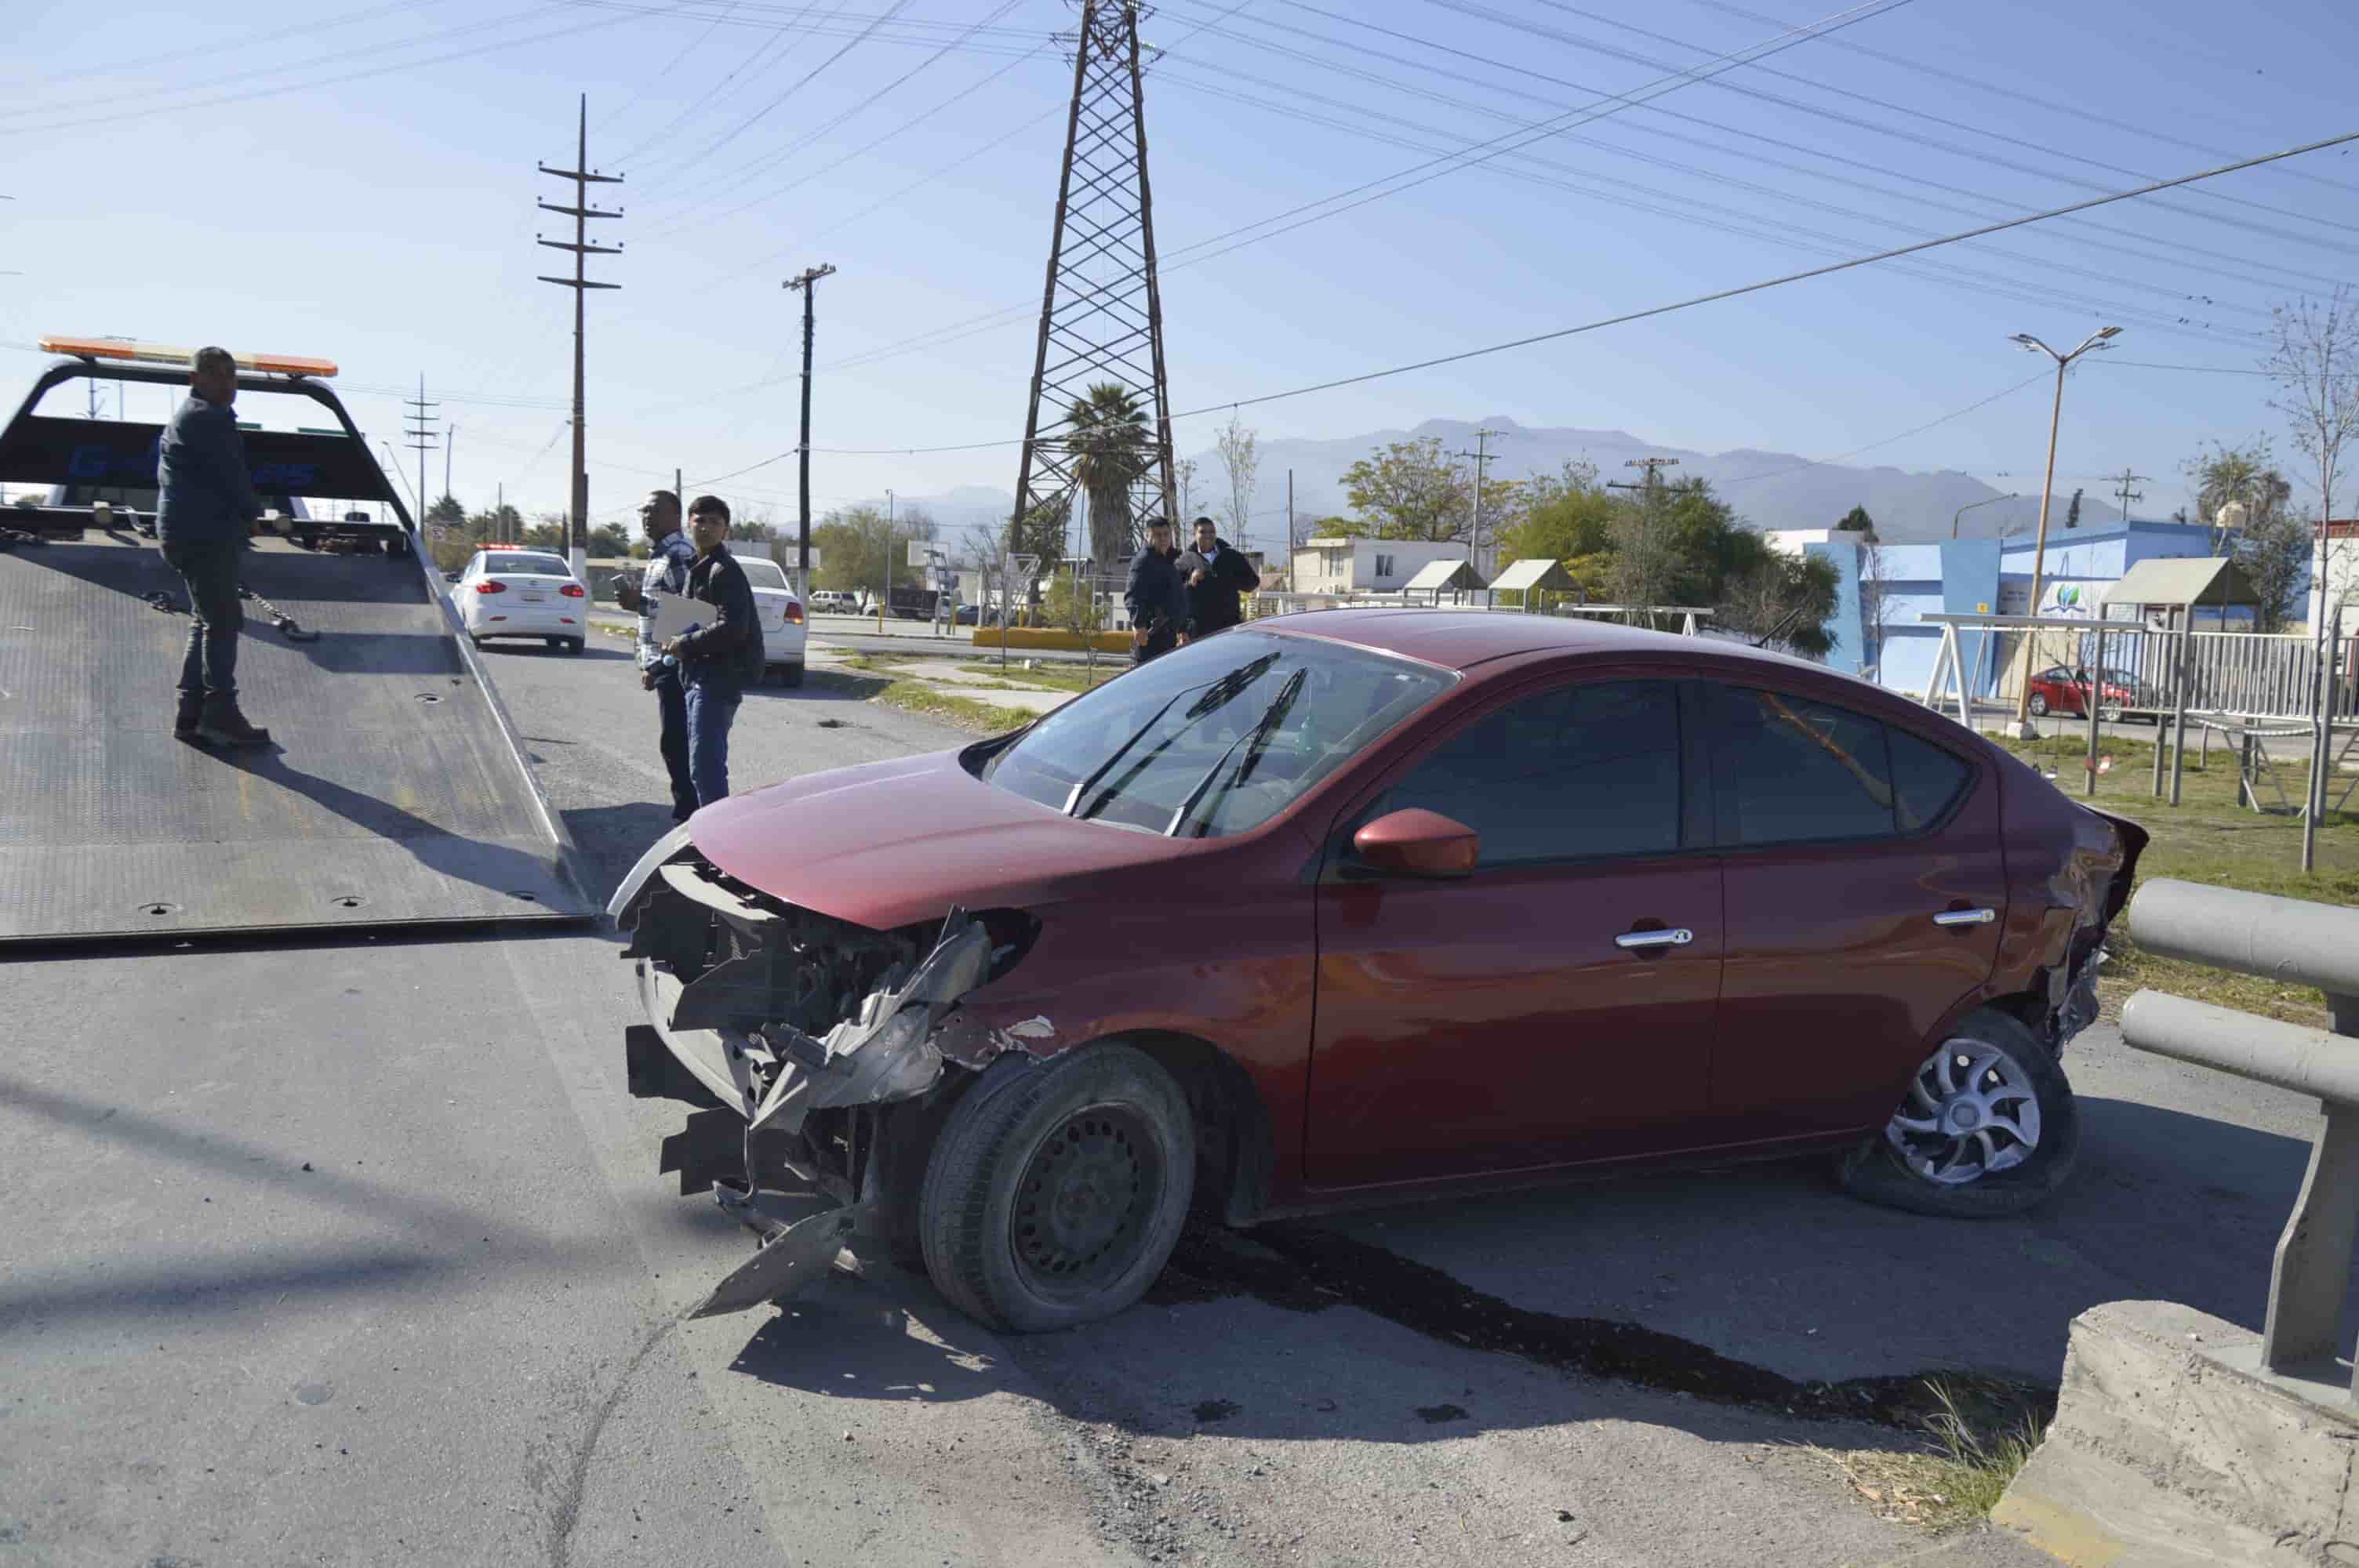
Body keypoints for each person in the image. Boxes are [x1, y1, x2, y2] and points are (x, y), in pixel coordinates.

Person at [156, 346, 271, 746]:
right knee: (223, 623)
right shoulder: (207, 419)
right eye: (217, 375)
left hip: (187, 533)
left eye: (231, 375)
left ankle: (190, 714)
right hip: (203, 536)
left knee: (205, 620)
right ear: (195, 380)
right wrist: (253, 515)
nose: (227, 384)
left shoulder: (190, 417)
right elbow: (232, 476)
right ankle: (220, 711)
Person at [660, 495, 763, 809]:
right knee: (698, 768)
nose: (705, 527)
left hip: (718, 680)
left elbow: (734, 627)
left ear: (726, 530)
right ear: (688, 525)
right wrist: (660, 660)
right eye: (699, 521)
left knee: (705, 769)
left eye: (714, 522)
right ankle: (707, 835)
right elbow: (688, 619)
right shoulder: (697, 568)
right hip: (694, 677)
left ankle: (719, 844)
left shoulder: (724, 570)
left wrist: (685, 644)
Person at [613, 489, 700, 822]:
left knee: (677, 743)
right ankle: (689, 812)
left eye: (654, 511)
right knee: (676, 742)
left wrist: (641, 603)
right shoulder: (661, 554)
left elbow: (693, 611)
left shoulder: (678, 553)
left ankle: (690, 816)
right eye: (643, 512)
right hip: (664, 660)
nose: (646, 517)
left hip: (677, 662)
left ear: (674, 515)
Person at [1176, 515, 1260, 638]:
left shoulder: (1231, 555)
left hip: (1229, 626)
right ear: (1194, 534)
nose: (1208, 535)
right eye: (1202, 532)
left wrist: (1230, 578)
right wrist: (1190, 581)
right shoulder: (1185, 560)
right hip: (1199, 629)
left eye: (1212, 532)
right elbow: (1175, 593)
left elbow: (1253, 583)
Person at [1124, 517, 1190, 665]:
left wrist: (1182, 628)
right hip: (1151, 636)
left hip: (1168, 634)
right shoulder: (1143, 561)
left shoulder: (1170, 560)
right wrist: (1139, 625)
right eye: (1158, 535)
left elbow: (1177, 597)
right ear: (1148, 537)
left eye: (1166, 534)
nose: (1163, 539)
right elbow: (1133, 595)